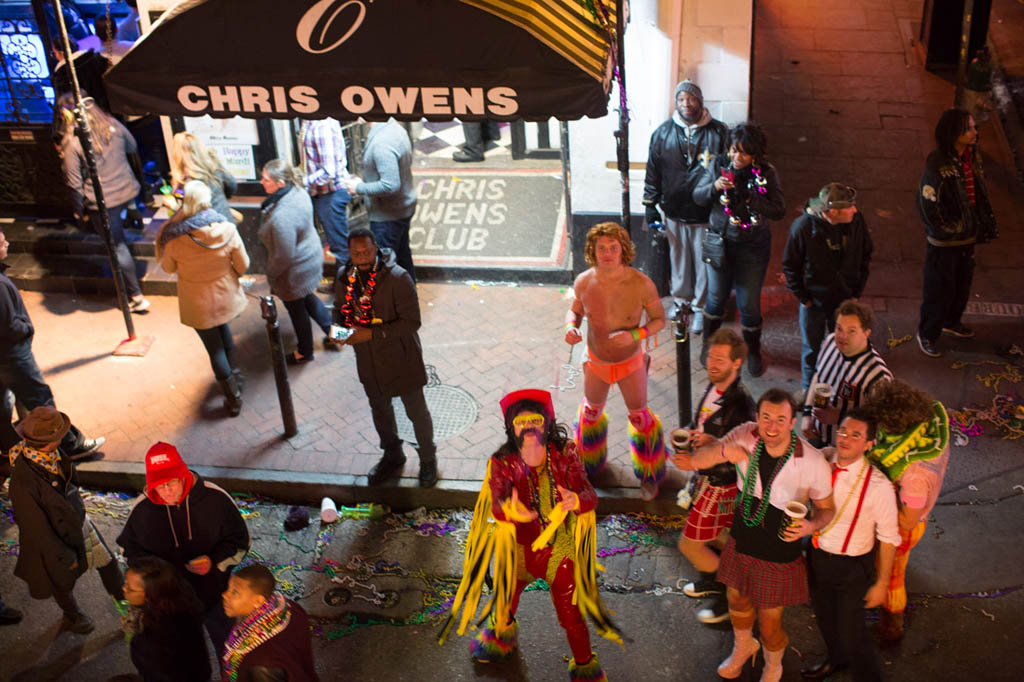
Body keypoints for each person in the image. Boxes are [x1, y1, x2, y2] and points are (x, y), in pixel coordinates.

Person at [439, 389, 620, 682]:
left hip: (558, 552)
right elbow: (497, 504)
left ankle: (586, 667)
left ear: (546, 423)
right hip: (518, 550)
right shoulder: (502, 461)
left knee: (571, 617)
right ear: (512, 428)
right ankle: (500, 638)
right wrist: (510, 511)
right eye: (521, 423)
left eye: (535, 420)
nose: (529, 427)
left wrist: (576, 500)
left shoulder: (566, 453)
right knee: (505, 597)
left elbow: (588, 494)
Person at [672, 388, 835, 682]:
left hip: (778, 550)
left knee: (771, 626)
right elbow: (709, 453)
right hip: (742, 537)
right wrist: (722, 452)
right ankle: (744, 647)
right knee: (737, 602)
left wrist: (811, 526)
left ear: (792, 421)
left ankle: (774, 665)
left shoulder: (812, 462)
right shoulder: (747, 434)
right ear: (757, 417)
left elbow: (827, 510)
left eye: (780, 419)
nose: (771, 427)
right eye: (766, 418)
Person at [117, 442, 251, 655]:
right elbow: (129, 552)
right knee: (183, 656)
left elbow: (240, 541)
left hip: (214, 596)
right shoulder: (141, 510)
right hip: (169, 604)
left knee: (228, 649)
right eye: (159, 486)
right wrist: (159, 575)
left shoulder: (216, 499)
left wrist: (215, 562)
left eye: (171, 482)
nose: (167, 491)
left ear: (184, 476)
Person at [565, 222, 667, 500]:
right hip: (595, 362)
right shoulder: (583, 281)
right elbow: (574, 312)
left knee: (640, 418)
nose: (608, 253)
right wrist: (570, 328)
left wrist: (636, 334)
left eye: (613, 247)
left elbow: (660, 320)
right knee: (590, 414)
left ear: (623, 249)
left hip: (630, 363)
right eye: (602, 248)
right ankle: (588, 467)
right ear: (592, 251)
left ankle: (650, 476)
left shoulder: (641, 283)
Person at [7, 406, 126, 634]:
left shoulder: (51, 453)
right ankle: (72, 615)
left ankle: (126, 606)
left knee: (108, 564)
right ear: (51, 439)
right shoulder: (23, 481)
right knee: (62, 582)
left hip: (78, 522)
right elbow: (37, 529)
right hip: (56, 542)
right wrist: (64, 555)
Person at [334, 228, 437, 488]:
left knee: (416, 411)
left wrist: (370, 334)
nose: (362, 257)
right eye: (356, 253)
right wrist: (338, 331)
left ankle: (427, 458)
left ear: (376, 248)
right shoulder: (344, 277)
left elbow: (412, 322)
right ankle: (392, 455)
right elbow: (339, 311)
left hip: (402, 358)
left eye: (367, 251)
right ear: (349, 253)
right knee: (380, 410)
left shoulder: (399, 278)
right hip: (368, 362)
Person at [802, 409, 899, 681]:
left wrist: (881, 584)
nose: (845, 438)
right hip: (818, 554)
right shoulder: (822, 460)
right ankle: (836, 659)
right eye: (843, 431)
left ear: (869, 444)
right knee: (824, 616)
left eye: (856, 435)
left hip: (853, 566)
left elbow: (889, 538)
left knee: (852, 632)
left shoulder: (879, 486)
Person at [674, 328, 756, 624]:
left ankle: (728, 593)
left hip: (721, 486)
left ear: (737, 363)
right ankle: (716, 580)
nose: (712, 363)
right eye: (710, 356)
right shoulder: (715, 386)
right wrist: (702, 437)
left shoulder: (742, 407)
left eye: (720, 359)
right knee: (721, 537)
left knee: (690, 544)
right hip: (708, 481)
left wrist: (696, 460)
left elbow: (738, 452)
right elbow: (717, 436)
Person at [0, 228, 105, 456]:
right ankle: (69, 445)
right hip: (12, 353)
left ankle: (11, 449)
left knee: (6, 404)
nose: (7, 243)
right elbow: (8, 325)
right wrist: (26, 329)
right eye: (2, 242)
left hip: (7, 353)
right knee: (40, 398)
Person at [693, 123, 786, 376]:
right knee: (715, 299)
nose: (737, 157)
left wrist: (752, 198)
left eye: (744, 153)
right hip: (719, 242)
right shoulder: (719, 165)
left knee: (749, 304)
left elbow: (778, 209)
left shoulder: (766, 172)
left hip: (752, 246)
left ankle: (753, 351)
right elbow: (697, 195)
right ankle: (709, 346)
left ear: (755, 154)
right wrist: (714, 187)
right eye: (734, 150)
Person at [862, 380, 950, 644]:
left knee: (891, 576)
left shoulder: (914, 476)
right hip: (910, 513)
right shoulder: (929, 427)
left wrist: (883, 489)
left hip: (902, 528)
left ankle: (891, 624)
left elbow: (907, 521)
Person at [156, 180, 250, 417]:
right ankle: (235, 377)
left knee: (214, 348)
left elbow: (167, 268)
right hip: (226, 295)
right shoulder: (227, 229)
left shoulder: (175, 238)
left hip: (197, 302)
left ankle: (233, 398)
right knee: (224, 334)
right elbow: (243, 264)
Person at [643, 79, 729, 333]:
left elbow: (728, 168)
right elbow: (653, 172)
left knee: (704, 263)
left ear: (700, 101)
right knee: (678, 259)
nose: (686, 104)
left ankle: (701, 307)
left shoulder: (719, 133)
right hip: (674, 210)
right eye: (681, 99)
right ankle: (681, 302)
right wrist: (650, 203)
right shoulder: (662, 133)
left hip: (705, 212)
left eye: (690, 98)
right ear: (676, 102)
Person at [916, 108, 998, 358]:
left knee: (962, 284)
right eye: (970, 128)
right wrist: (950, 230)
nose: (976, 132)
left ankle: (951, 322)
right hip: (946, 243)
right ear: (955, 134)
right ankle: (928, 334)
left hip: (966, 238)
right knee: (940, 287)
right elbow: (928, 205)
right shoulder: (938, 164)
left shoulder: (969, 157)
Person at [57, 93, 150, 312]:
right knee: (121, 237)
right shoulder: (113, 125)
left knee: (116, 246)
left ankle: (136, 297)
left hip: (103, 201)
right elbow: (132, 147)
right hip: (126, 191)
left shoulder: (73, 142)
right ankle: (133, 211)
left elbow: (73, 182)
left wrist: (79, 212)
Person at [782, 183, 873, 390]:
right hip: (813, 301)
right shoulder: (803, 227)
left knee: (844, 345)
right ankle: (809, 391)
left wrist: (856, 292)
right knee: (812, 349)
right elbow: (790, 265)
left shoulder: (856, 221)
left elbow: (866, 254)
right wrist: (803, 297)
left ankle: (838, 386)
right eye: (850, 207)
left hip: (845, 298)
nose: (855, 210)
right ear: (833, 212)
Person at [258, 159, 333, 364]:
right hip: (310, 257)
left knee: (296, 310)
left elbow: (284, 255)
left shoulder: (283, 215)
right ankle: (337, 334)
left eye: (266, 179)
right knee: (307, 297)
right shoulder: (297, 191)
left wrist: (271, 274)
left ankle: (305, 351)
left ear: (280, 183)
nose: (261, 182)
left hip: (295, 270)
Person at [801, 299, 892, 448]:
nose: (842, 336)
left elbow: (882, 426)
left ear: (866, 333)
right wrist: (806, 412)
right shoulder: (830, 342)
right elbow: (818, 375)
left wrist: (841, 418)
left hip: (847, 449)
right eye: (839, 328)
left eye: (852, 331)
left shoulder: (878, 377)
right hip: (816, 433)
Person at [344, 119, 417, 281]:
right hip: (402, 207)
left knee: (384, 268)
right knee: (403, 256)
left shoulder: (382, 144)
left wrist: (359, 188)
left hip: (388, 215)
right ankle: (409, 297)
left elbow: (390, 185)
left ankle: (390, 304)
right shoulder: (394, 127)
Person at [221, 564, 319, 682]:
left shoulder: (260, 666)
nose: (225, 595)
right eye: (228, 588)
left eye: (235, 592)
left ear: (258, 601)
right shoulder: (288, 607)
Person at [122, 556, 211, 682]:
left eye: (130, 589)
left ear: (150, 595)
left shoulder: (150, 640)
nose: (123, 588)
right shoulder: (184, 601)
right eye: (125, 582)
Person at [300, 118, 351, 264]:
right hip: (324, 193)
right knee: (338, 246)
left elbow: (329, 172)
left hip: (331, 194)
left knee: (340, 249)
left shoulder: (322, 126)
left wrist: (303, 182)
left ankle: (347, 286)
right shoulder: (311, 122)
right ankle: (342, 284)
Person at [170, 132, 238, 225]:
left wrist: (175, 192)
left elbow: (181, 197)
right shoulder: (213, 165)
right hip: (225, 220)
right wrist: (220, 196)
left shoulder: (183, 178)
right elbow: (232, 185)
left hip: (202, 227)